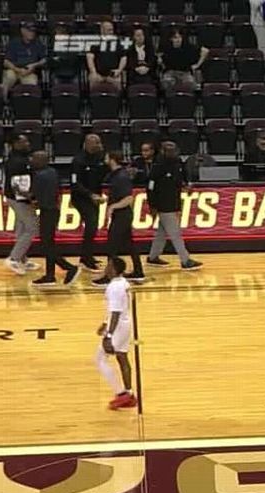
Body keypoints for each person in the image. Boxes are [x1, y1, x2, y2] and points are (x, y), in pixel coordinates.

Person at [145, 142, 201, 271]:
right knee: (175, 233)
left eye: (174, 150)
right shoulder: (157, 166)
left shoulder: (178, 163)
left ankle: (153, 257)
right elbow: (150, 188)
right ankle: (185, 260)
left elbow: (182, 178)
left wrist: (187, 185)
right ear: (163, 151)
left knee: (162, 232)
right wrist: (152, 206)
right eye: (169, 150)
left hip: (174, 202)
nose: (172, 152)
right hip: (163, 205)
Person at [93, 152, 145, 285]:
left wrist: (112, 207)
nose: (104, 159)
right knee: (130, 244)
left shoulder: (121, 176)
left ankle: (109, 275)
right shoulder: (115, 175)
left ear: (112, 160)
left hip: (123, 215)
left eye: (106, 157)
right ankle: (138, 272)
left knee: (111, 246)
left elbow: (129, 198)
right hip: (122, 215)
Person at [29, 151, 79, 287]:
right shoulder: (53, 172)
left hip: (48, 211)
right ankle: (50, 275)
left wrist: (29, 198)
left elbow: (37, 197)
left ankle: (69, 267)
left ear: (41, 161)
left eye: (34, 158)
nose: (31, 160)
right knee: (49, 244)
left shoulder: (39, 176)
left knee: (46, 245)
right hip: (54, 210)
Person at [95, 257, 138, 410]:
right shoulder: (124, 283)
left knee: (100, 359)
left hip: (118, 327)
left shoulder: (113, 287)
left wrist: (108, 335)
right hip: (126, 324)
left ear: (114, 269)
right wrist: (105, 323)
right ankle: (129, 394)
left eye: (109, 266)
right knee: (122, 357)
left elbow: (115, 312)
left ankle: (121, 394)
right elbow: (119, 308)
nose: (106, 268)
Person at [70, 134, 108, 273]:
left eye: (99, 142)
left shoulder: (100, 157)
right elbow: (75, 183)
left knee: (93, 227)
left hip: (95, 197)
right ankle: (86, 259)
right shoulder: (78, 160)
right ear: (86, 144)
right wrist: (90, 194)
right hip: (81, 198)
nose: (97, 145)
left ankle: (87, 256)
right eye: (95, 142)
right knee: (91, 225)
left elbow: (105, 173)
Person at [3, 134, 38, 275]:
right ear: (16, 144)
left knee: (22, 227)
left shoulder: (18, 158)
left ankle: (22, 258)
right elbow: (17, 186)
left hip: (15, 198)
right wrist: (32, 199)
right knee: (32, 228)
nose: (28, 143)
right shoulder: (17, 162)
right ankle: (14, 258)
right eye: (24, 141)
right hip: (19, 199)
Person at [2, 22, 47, 90]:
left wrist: (34, 65)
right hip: (13, 70)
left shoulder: (38, 44)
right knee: (9, 77)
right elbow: (6, 62)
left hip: (29, 72)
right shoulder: (14, 43)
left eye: (33, 31)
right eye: (29, 31)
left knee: (32, 83)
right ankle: (4, 100)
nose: (32, 33)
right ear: (22, 31)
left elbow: (44, 60)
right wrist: (17, 70)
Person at [86, 21, 126, 90]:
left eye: (112, 30)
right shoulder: (95, 42)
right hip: (98, 73)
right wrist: (93, 72)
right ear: (102, 30)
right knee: (92, 80)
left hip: (113, 74)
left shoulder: (118, 42)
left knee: (120, 82)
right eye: (109, 30)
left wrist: (119, 70)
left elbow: (123, 58)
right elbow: (89, 58)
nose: (111, 32)